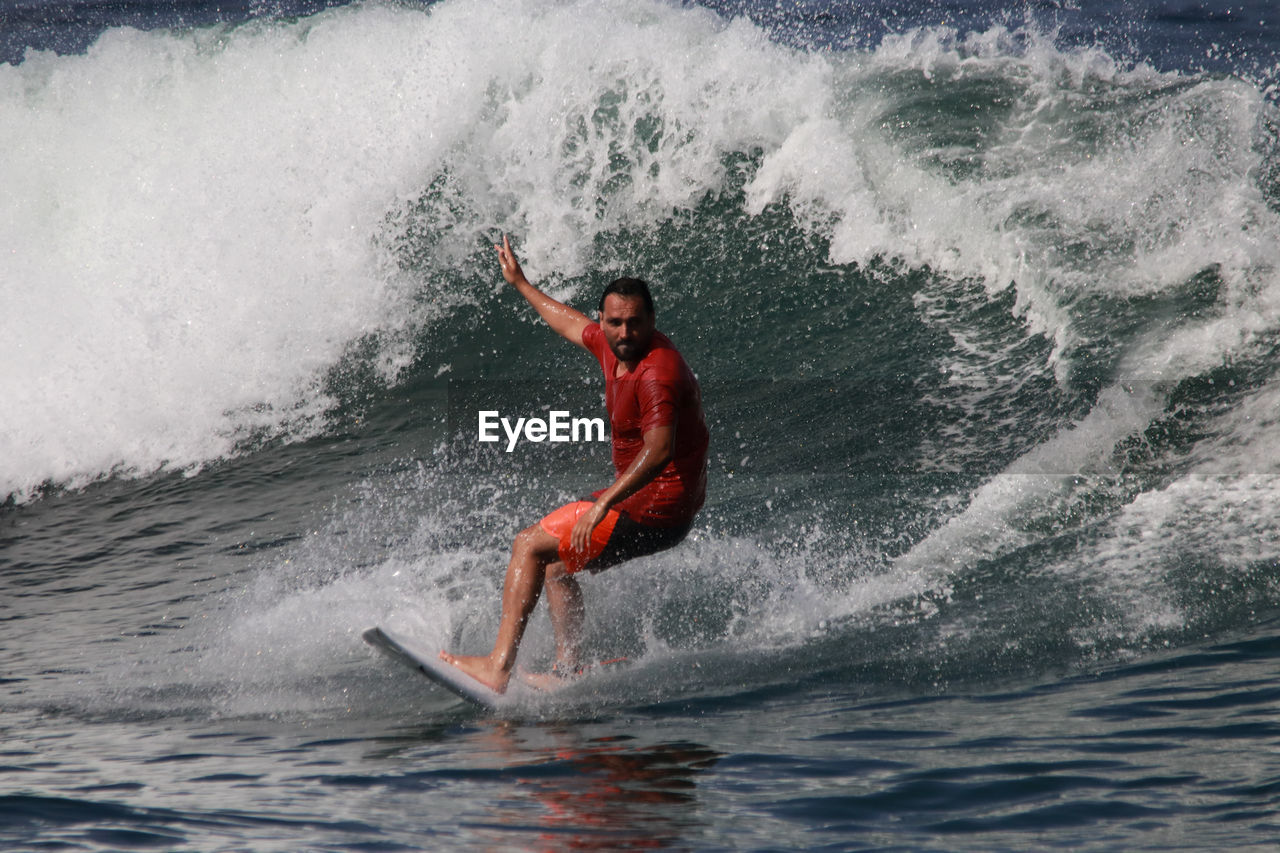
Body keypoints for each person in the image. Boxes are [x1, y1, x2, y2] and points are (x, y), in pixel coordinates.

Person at [439, 235, 709, 692]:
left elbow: (660, 448)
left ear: (652, 321)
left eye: (636, 323)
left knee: (528, 545)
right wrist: (521, 284)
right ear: (603, 320)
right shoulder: (611, 345)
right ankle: (569, 670)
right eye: (616, 323)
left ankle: (497, 667)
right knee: (556, 566)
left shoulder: (656, 374)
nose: (626, 333)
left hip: (656, 507)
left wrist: (604, 503)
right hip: (654, 504)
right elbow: (568, 323)